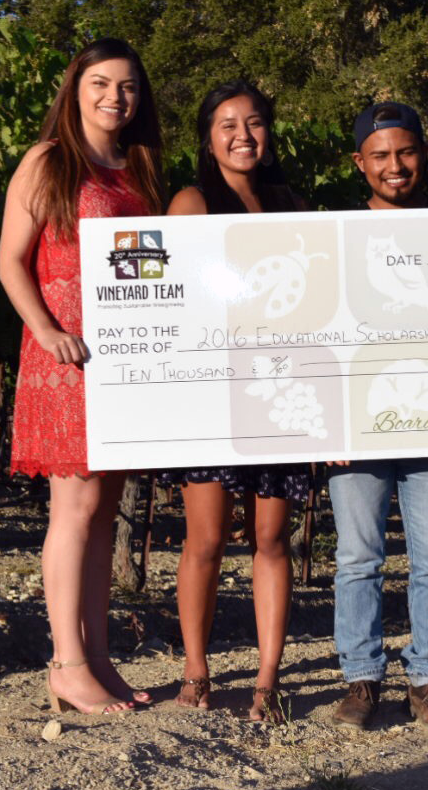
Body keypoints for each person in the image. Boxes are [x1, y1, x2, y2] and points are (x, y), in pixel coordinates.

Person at [0, 38, 166, 715]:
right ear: (75, 88)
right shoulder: (48, 161)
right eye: (100, 83)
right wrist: (45, 331)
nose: (113, 98)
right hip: (67, 353)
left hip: (124, 357)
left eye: (126, 87)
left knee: (102, 512)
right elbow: (12, 260)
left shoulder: (139, 168)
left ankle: (97, 658)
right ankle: (65, 661)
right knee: (72, 509)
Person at [161, 81, 310, 723]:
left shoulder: (294, 207)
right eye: (227, 124)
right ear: (208, 138)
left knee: (272, 540)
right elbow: (173, 300)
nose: (243, 135)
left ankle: (266, 681)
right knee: (206, 540)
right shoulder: (192, 203)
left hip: (280, 391)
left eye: (254, 122)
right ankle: (197, 672)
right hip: (211, 396)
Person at [327, 101, 428, 733]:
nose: (395, 166)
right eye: (380, 155)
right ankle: (362, 680)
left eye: (405, 152)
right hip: (357, 423)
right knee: (358, 557)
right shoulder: (331, 236)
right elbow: (317, 333)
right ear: (360, 162)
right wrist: (324, 421)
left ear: (423, 154)